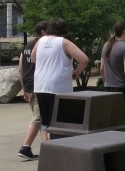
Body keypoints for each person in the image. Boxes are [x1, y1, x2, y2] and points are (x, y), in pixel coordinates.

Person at [31, 18, 88, 135]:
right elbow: (84, 60)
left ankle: (47, 147)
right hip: (58, 87)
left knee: (45, 120)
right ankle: (57, 147)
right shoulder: (64, 42)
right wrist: (76, 73)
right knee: (58, 121)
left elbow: (33, 58)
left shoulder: (40, 41)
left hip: (40, 85)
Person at [16, 20, 48, 161]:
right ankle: (25, 147)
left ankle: (47, 146)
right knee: (39, 116)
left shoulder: (26, 46)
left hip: (28, 85)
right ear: (43, 32)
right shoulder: (43, 45)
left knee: (40, 117)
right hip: (39, 85)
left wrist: (24, 88)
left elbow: (21, 68)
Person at [101, 20, 125, 128]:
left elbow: (102, 68)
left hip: (108, 88)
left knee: (113, 120)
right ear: (124, 31)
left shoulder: (106, 45)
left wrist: (106, 82)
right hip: (122, 89)